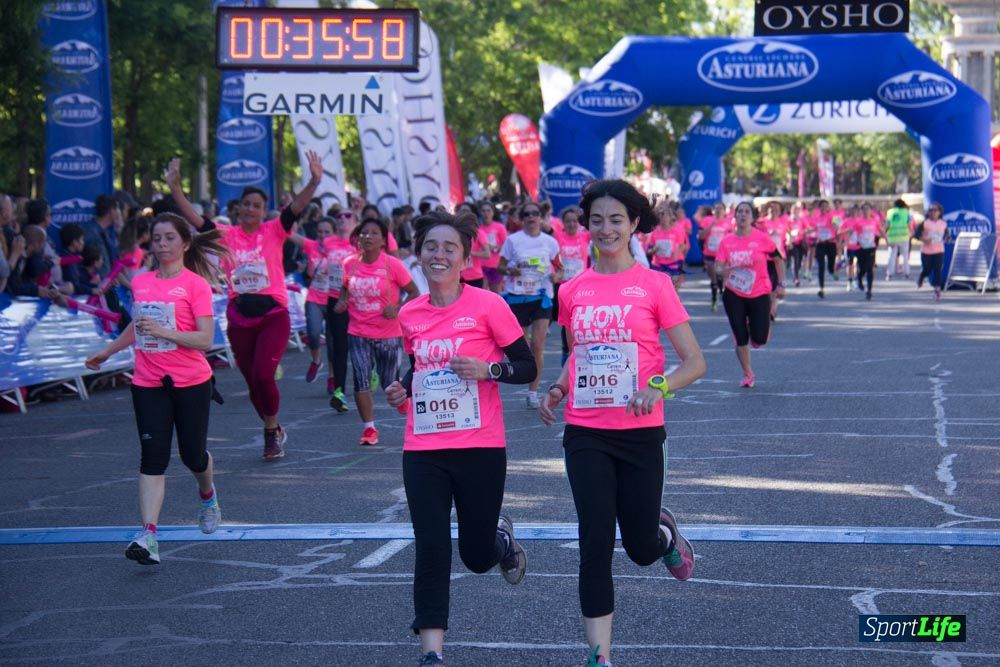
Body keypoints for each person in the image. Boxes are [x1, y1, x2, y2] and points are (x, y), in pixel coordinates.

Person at [538, 180, 705, 667]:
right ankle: (600, 656)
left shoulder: (654, 285)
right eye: (597, 220)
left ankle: (663, 536)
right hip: (586, 432)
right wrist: (558, 388)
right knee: (594, 540)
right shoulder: (572, 290)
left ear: (634, 224)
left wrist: (659, 387)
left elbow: (695, 362)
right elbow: (580, 356)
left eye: (616, 220)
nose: (606, 229)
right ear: (585, 225)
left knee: (639, 548)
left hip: (640, 433)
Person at [384, 210, 534, 667]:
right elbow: (420, 366)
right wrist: (402, 389)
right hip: (424, 448)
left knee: (474, 555)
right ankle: (432, 652)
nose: (440, 255)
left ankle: (499, 541)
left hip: (480, 447)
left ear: (466, 259)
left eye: (450, 248)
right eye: (431, 246)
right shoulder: (410, 313)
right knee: (431, 545)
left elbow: (526, 366)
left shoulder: (489, 306)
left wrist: (489, 369)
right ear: (418, 254)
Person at [85, 213, 229, 565]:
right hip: (148, 381)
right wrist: (108, 351)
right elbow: (138, 326)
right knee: (153, 456)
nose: (162, 244)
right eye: (156, 238)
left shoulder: (195, 285)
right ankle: (148, 536)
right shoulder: (141, 282)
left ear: (185, 243)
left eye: (169, 238)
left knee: (192, 455)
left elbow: (205, 339)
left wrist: (165, 333)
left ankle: (207, 495)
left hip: (191, 382)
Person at [166, 153, 323, 460]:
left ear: (264, 211)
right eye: (246, 204)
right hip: (239, 316)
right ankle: (272, 426)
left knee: (264, 375)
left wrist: (314, 181)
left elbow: (297, 207)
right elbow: (195, 220)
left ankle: (271, 431)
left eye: (257, 205)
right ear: (238, 208)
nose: (251, 209)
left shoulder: (274, 230)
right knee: (252, 382)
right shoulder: (226, 235)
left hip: (273, 314)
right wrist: (175, 189)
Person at [333, 216, 419, 445]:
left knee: (388, 382)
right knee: (360, 380)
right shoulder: (349, 263)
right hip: (358, 332)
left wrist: (397, 308)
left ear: (383, 240)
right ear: (358, 238)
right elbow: (345, 288)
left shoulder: (392, 264)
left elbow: (414, 292)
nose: (367, 236)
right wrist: (342, 301)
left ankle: (403, 400)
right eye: (364, 232)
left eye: (374, 233)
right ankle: (369, 428)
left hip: (388, 333)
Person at [497, 202, 563, 409]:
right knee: (524, 348)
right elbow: (500, 267)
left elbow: (560, 268)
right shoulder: (512, 240)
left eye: (535, 213)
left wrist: (556, 276)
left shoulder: (550, 242)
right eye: (527, 214)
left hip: (541, 297)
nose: (531, 217)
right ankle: (528, 382)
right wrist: (510, 271)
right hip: (517, 298)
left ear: (541, 218)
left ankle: (532, 393)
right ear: (522, 218)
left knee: (538, 346)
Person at [715, 202, 786, 387]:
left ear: (752, 218)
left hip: (759, 292)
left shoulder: (762, 239)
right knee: (740, 337)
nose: (743, 215)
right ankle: (747, 373)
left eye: (747, 212)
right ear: (735, 216)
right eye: (739, 211)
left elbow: (778, 260)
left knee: (760, 339)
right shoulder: (726, 241)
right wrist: (722, 271)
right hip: (734, 293)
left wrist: (781, 284)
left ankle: (754, 329)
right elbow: (718, 266)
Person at [553, 206, 590, 365]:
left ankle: (584, 351)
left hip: (582, 286)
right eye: (568, 221)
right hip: (564, 286)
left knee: (582, 320)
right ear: (563, 223)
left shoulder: (585, 236)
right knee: (567, 322)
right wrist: (555, 272)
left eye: (575, 221)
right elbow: (552, 258)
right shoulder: (558, 238)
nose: (572, 224)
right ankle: (567, 353)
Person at [697, 202, 732, 311]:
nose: (718, 210)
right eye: (716, 208)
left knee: (721, 275)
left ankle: (721, 291)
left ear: (724, 211)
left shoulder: (729, 223)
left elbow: (732, 239)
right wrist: (712, 225)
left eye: (720, 208)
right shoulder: (707, 220)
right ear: (713, 211)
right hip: (709, 253)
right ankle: (714, 297)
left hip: (723, 255)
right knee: (713, 277)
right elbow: (701, 236)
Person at [917, 202, 950, 301]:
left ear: (939, 212)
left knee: (937, 270)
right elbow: (916, 235)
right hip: (926, 251)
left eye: (935, 210)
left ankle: (937, 290)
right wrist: (924, 240)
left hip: (939, 250)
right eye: (931, 210)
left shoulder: (943, 223)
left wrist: (948, 239)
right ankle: (922, 276)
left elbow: (946, 234)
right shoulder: (925, 223)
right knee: (927, 269)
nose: (933, 212)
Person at [850, 203, 882, 300]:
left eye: (868, 209)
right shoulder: (858, 221)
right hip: (860, 248)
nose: (866, 211)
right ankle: (859, 278)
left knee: (870, 268)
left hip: (871, 247)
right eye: (864, 209)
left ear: (871, 211)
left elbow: (880, 230)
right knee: (862, 268)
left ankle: (869, 290)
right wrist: (846, 242)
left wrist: (886, 239)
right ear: (861, 211)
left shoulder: (874, 221)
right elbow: (852, 232)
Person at [477, 202, 507, 294]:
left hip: (495, 265)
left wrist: (496, 248)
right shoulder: (478, 228)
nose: (486, 213)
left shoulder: (500, 227)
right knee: (482, 293)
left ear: (493, 213)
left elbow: (506, 245)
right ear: (480, 213)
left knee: (496, 294)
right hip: (481, 265)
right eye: (483, 211)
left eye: (488, 211)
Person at [813, 199, 838, 298]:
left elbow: (837, 226)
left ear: (828, 208)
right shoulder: (816, 217)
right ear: (819, 208)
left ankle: (832, 271)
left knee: (830, 265)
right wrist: (806, 231)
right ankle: (821, 288)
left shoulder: (833, 216)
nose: (824, 208)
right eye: (822, 206)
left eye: (825, 206)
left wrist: (834, 224)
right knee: (821, 266)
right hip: (820, 244)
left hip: (831, 243)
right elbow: (814, 228)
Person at [884, 199, 912, 280]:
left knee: (892, 256)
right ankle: (906, 273)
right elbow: (909, 225)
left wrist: (885, 235)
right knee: (905, 256)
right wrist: (911, 233)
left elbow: (887, 225)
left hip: (892, 238)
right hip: (904, 237)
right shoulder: (906, 213)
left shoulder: (890, 212)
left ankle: (889, 274)